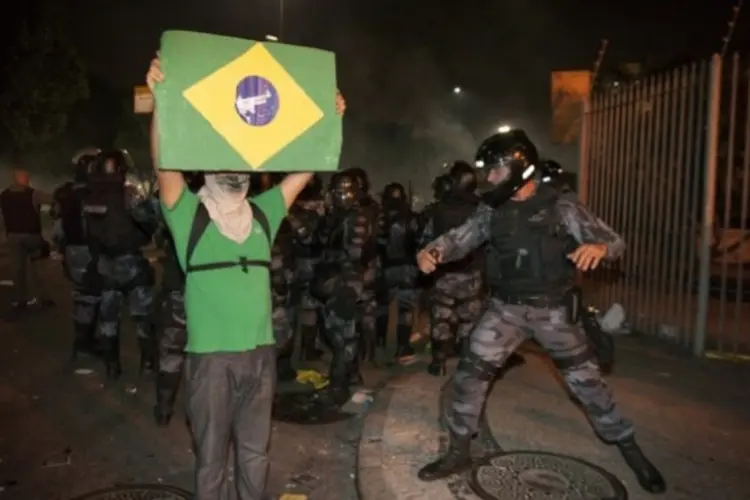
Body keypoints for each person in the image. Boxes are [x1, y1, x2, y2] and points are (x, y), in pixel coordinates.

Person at [414, 129, 666, 494]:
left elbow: (614, 241)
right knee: (470, 373)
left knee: (588, 384)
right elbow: (460, 239)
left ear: (518, 167)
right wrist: (432, 252)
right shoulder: (491, 211)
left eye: (496, 170)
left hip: (553, 311)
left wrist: (598, 248)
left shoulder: (560, 206)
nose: (490, 178)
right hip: (505, 310)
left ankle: (629, 448)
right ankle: (457, 451)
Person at [146, 55, 346, 500]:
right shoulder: (189, 216)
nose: (234, 172)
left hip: (260, 358)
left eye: (241, 165)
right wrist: (163, 101)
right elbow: (163, 165)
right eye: (223, 163)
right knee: (212, 458)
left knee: (256, 454)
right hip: (211, 361)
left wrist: (328, 115)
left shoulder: (263, 212)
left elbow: (308, 168)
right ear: (208, 170)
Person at [313, 171, 375, 402]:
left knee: (345, 337)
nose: (341, 196)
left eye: (345, 191)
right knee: (341, 338)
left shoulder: (350, 217)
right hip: (337, 283)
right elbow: (320, 242)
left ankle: (344, 382)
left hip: (342, 284)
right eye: (337, 191)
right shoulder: (338, 217)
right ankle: (343, 383)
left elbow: (353, 253)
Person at [419, 162, 485, 376]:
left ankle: (438, 362)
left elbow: (426, 240)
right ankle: (466, 364)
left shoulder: (438, 209)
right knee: (469, 321)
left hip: (445, 275)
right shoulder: (481, 209)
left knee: (441, 318)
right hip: (472, 275)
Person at [51, 149, 102, 359]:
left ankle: (85, 339)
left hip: (72, 249)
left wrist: (62, 250)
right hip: (91, 249)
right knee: (90, 296)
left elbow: (56, 223)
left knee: (84, 294)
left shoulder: (63, 192)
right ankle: (84, 343)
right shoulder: (98, 190)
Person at [0, 168, 54, 317]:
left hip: (13, 236)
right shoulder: (33, 194)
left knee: (17, 270)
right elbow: (52, 199)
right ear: (23, 178)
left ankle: (20, 300)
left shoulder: (4, 195)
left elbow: (3, 216)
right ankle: (44, 297)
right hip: (32, 237)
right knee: (39, 267)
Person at [376, 182, 419, 363]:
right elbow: (418, 241)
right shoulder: (412, 218)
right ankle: (402, 346)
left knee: (382, 307)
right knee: (405, 309)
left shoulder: (379, 217)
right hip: (407, 268)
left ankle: (379, 342)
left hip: (385, 267)